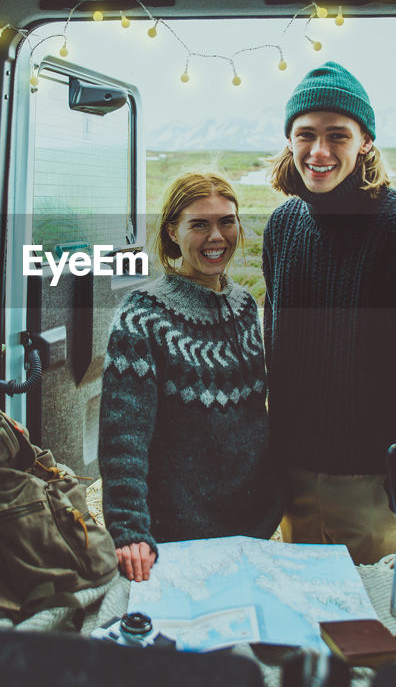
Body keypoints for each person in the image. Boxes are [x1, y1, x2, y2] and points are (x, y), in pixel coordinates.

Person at [262, 61, 396, 565]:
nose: (318, 152)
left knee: (365, 628)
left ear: (365, 142)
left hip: (369, 479)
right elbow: (277, 340)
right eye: (305, 135)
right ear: (290, 141)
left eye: (337, 135)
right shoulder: (282, 225)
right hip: (292, 466)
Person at [99, 171, 280, 582]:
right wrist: (130, 530)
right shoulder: (143, 314)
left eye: (226, 221)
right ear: (172, 233)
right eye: (199, 224)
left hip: (254, 525)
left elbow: (255, 416)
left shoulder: (244, 304)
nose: (216, 236)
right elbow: (122, 437)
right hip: (178, 532)